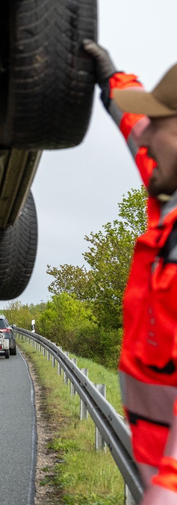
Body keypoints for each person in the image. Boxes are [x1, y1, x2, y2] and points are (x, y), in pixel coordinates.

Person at [85, 40, 177, 503]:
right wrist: (110, 78)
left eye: (156, 125)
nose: (141, 138)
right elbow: (135, 124)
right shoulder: (169, 194)